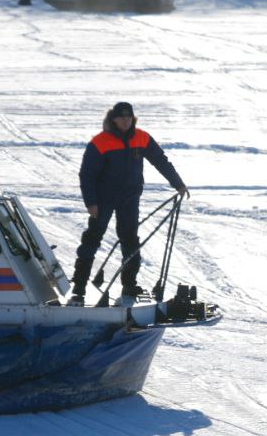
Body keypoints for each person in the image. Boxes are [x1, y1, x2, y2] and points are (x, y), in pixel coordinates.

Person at [72, 102, 188, 305]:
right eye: (121, 117)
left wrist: (178, 184)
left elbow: (160, 160)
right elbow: (87, 175)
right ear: (113, 119)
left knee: (130, 240)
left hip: (129, 198)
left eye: (129, 117)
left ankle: (129, 284)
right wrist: (91, 202)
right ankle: (79, 286)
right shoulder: (101, 142)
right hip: (103, 199)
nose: (125, 120)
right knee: (92, 239)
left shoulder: (141, 137)